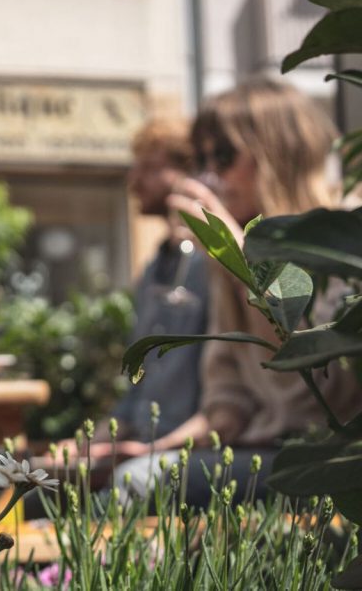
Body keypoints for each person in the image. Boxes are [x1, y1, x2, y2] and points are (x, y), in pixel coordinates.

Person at [114, 78, 362, 505]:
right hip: (263, 451)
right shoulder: (226, 260)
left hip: (333, 462)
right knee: (102, 482)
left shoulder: (344, 237)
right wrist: (161, 446)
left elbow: (327, 382)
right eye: (203, 158)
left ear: (277, 153)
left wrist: (242, 262)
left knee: (132, 486)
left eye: (224, 156)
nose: (210, 174)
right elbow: (227, 398)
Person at [56, 118, 210, 464]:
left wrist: (153, 449)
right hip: (145, 446)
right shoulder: (155, 269)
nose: (134, 180)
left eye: (150, 168)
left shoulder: (212, 266)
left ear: (192, 173)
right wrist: (86, 444)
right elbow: (138, 388)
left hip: (191, 450)